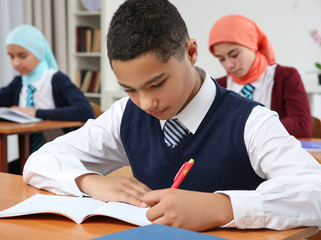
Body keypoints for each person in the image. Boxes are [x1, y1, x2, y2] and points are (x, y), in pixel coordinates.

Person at [23, 0, 321, 232]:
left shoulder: (251, 122)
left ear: (191, 53)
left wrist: (224, 207)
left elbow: (316, 190)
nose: (147, 102)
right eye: (130, 89)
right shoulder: (126, 115)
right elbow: (41, 160)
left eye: (157, 84)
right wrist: (89, 181)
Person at [0, 24, 95, 154]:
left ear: (38, 53)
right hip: (29, 157)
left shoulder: (56, 79)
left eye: (22, 56)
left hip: (63, 155)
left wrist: (35, 113)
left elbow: (85, 111)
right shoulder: (18, 84)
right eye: (11, 57)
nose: (16, 63)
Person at [208, 15, 312, 138]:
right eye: (221, 59)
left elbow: (301, 126)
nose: (229, 65)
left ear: (252, 45)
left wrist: (244, 130)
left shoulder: (286, 77)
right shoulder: (217, 86)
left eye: (234, 55)